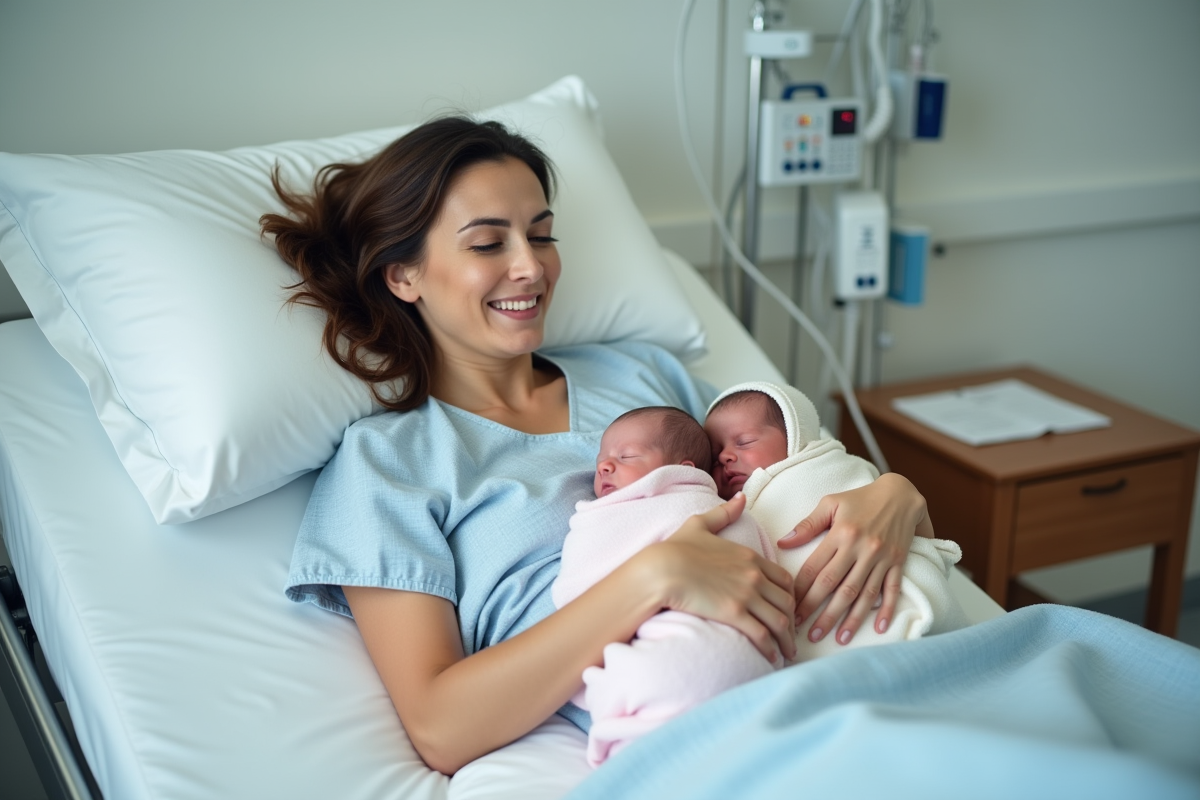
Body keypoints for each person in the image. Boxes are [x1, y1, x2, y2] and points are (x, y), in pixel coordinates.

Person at [261, 116, 933, 775]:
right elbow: (440, 726)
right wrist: (654, 576)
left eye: (541, 234)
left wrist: (893, 493)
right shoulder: (387, 465)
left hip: (858, 659)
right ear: (403, 275)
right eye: (488, 244)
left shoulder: (639, 374)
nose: (530, 267)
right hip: (721, 718)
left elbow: (788, 474)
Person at [553, 406, 778, 766]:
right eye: (602, 459)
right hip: (752, 665)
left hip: (672, 663)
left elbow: (574, 596)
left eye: (626, 456)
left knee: (647, 730)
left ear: (682, 470)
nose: (604, 466)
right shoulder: (731, 510)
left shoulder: (617, 516)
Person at [705, 382, 968, 657]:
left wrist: (897, 489)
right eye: (713, 456)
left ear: (795, 436)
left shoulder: (827, 466)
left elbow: (912, 537)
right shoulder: (722, 513)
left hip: (908, 608)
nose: (724, 456)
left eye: (744, 442)